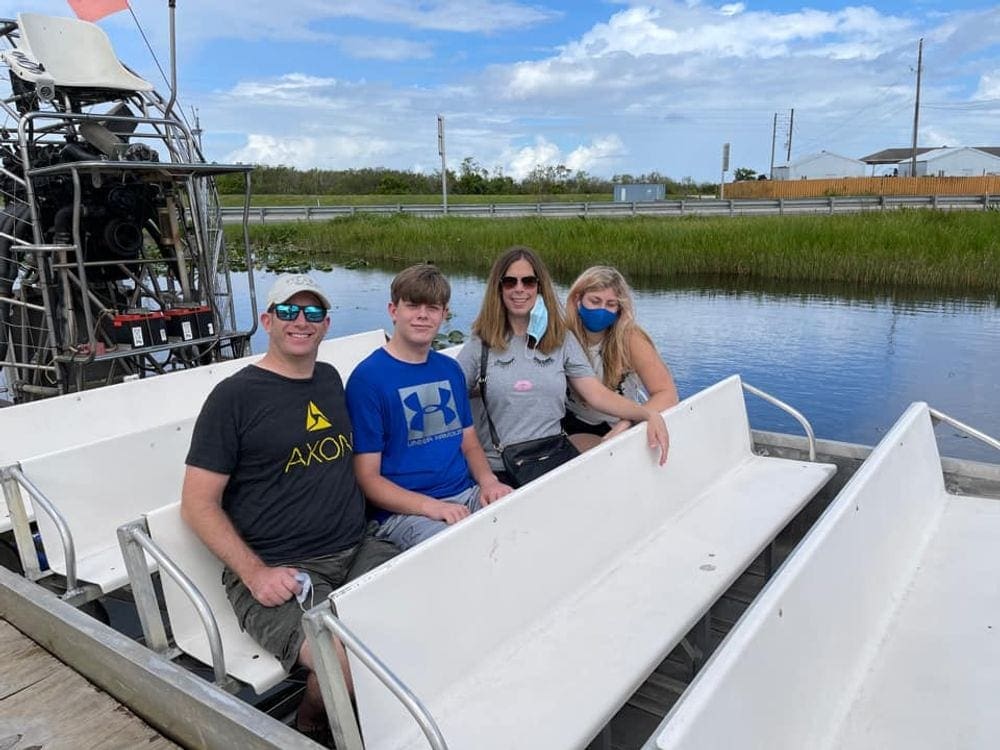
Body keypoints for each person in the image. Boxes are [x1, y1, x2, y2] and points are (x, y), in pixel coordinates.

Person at [181, 273, 398, 744]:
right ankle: (310, 719)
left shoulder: (328, 377)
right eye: (288, 311)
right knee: (341, 665)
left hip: (356, 547)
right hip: (282, 569)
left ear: (325, 325)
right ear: (266, 320)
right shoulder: (234, 398)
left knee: (420, 613)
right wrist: (255, 574)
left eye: (314, 313)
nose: (301, 321)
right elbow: (197, 504)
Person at [456, 246, 669, 484]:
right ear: (498, 287)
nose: (519, 289)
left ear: (539, 287)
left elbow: (596, 394)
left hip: (552, 454)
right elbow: (451, 399)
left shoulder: (560, 338)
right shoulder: (480, 344)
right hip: (501, 464)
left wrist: (645, 414)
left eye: (528, 282)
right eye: (509, 282)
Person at [346, 264, 512, 550]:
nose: (423, 315)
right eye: (412, 306)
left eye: (433, 308)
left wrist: (488, 482)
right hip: (403, 512)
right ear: (393, 310)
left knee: (522, 516)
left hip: (465, 492)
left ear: (444, 314)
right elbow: (367, 477)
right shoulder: (368, 379)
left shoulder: (449, 369)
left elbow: (469, 442)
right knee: (456, 548)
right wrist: (430, 507)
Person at [563, 266, 679, 451]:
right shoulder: (563, 334)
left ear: (619, 309)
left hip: (617, 424)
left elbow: (667, 393)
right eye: (595, 301)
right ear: (578, 300)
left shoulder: (631, 338)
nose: (602, 310)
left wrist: (628, 422)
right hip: (570, 419)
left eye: (610, 304)